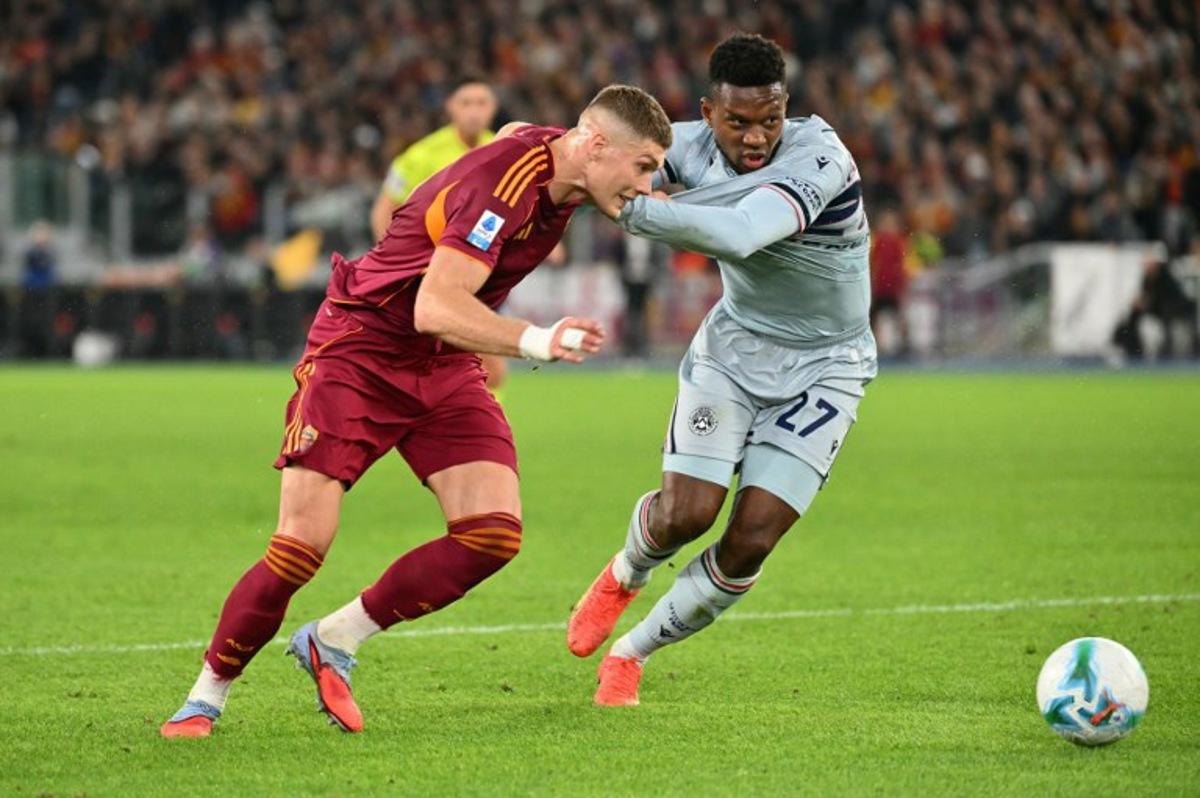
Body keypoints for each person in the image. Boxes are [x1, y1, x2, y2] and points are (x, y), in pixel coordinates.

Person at [160, 84, 673, 737]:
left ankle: (334, 639)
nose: (647, 184)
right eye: (643, 166)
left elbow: (523, 130)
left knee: (492, 533)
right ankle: (206, 696)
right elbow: (434, 305)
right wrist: (533, 340)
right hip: (362, 350)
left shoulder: (566, 161)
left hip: (439, 362)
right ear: (594, 144)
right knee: (300, 548)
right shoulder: (503, 191)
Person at [565, 34, 877, 706]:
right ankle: (624, 574)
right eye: (738, 123)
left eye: (769, 118)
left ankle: (632, 653)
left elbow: (738, 232)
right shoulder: (686, 144)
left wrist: (628, 206)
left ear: (785, 107)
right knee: (687, 513)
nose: (756, 136)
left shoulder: (820, 159)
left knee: (754, 536)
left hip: (828, 367)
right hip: (734, 353)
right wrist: (531, 146)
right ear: (707, 114)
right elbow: (595, 143)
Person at [369, 75, 510, 392]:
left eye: (481, 103)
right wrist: (394, 261)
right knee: (481, 358)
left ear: (493, 108)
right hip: (429, 269)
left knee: (481, 363)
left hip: (483, 268)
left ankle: (468, 422)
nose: (474, 111)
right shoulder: (421, 155)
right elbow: (383, 210)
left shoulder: (505, 150)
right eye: (466, 103)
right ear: (450, 108)